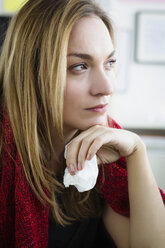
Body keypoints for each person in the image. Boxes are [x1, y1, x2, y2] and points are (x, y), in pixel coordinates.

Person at [0, 0, 165, 247]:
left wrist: (137, 152)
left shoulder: (105, 153)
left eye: (109, 62)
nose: (107, 87)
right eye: (79, 66)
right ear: (31, 73)